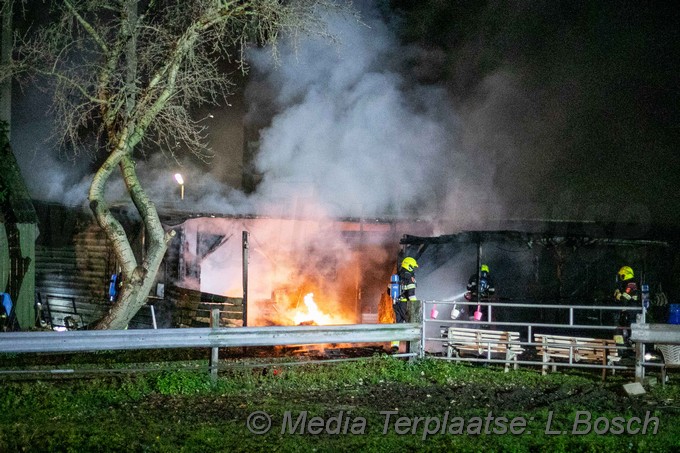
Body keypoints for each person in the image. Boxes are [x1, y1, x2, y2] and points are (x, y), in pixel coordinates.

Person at [390, 257, 418, 351]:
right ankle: (412, 349)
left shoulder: (397, 276)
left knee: (398, 324)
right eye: (413, 267)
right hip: (405, 305)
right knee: (413, 324)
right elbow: (411, 295)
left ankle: (395, 346)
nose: (414, 269)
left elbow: (388, 291)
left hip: (396, 303)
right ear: (409, 266)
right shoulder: (409, 277)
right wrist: (417, 306)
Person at [613, 265, 639, 347]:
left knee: (631, 328)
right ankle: (623, 346)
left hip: (632, 310)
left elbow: (625, 297)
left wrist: (619, 295)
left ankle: (631, 345)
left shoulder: (631, 284)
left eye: (621, 275)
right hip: (629, 310)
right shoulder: (627, 283)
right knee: (626, 327)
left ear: (625, 275)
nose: (620, 277)